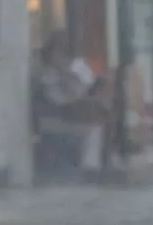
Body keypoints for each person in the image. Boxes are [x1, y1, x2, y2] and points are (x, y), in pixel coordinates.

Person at [36, 30, 109, 177]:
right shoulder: (47, 73)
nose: (61, 58)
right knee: (92, 130)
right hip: (54, 120)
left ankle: (91, 167)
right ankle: (88, 168)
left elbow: (88, 88)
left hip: (76, 115)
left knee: (97, 125)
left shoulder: (78, 67)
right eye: (57, 53)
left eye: (64, 53)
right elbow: (55, 99)